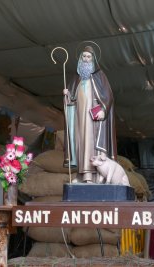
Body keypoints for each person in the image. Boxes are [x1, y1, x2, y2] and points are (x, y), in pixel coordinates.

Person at [63, 45, 117, 183]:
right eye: (84, 57)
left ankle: (92, 176)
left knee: (91, 144)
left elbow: (108, 96)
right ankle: (81, 175)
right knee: (80, 143)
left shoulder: (100, 76)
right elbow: (72, 100)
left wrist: (103, 110)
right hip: (79, 118)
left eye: (89, 57)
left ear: (93, 60)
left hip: (93, 119)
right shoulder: (77, 79)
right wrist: (67, 95)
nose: (86, 60)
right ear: (80, 59)